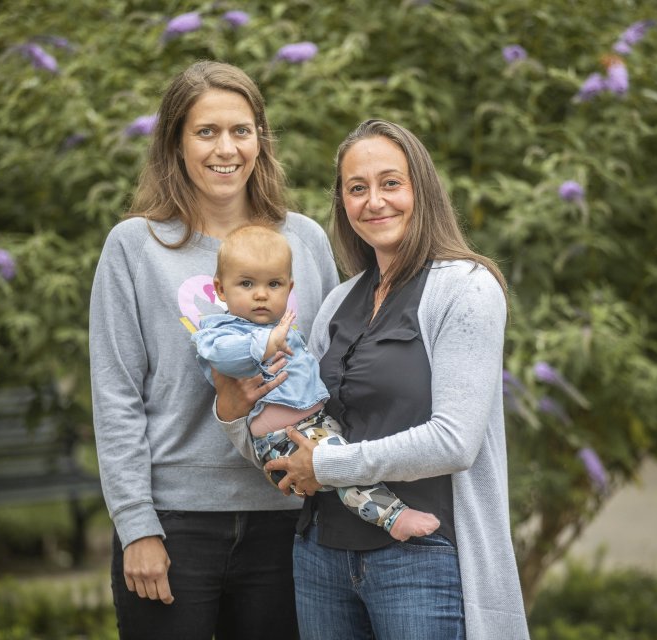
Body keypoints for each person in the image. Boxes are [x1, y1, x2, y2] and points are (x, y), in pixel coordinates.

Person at [238, 119, 530, 639]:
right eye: (357, 188)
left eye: (390, 183)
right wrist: (230, 409)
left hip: (420, 560)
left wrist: (325, 464)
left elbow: (454, 442)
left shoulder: (466, 288)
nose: (374, 201)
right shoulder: (337, 302)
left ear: (421, 189)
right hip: (320, 556)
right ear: (343, 204)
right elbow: (293, 420)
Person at [88, 61, 339, 640]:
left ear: (260, 140)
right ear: (175, 144)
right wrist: (136, 526)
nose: (225, 148)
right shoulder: (135, 246)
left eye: (240, 130)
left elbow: (330, 369)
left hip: (291, 518)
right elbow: (116, 395)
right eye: (206, 132)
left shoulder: (304, 239)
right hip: (175, 525)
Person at [191, 224, 441, 541]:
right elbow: (224, 358)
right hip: (282, 437)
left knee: (344, 463)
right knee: (341, 466)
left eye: (274, 284)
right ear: (221, 290)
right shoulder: (221, 330)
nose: (261, 294)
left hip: (312, 423)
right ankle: (393, 518)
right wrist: (266, 344)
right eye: (246, 284)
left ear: (289, 289)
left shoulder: (281, 327)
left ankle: (383, 510)